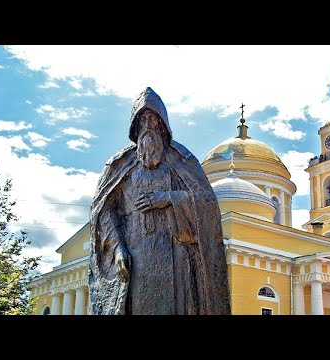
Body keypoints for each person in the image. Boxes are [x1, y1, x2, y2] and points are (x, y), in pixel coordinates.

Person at [89, 87, 231, 315]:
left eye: (153, 119)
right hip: (134, 257)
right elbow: (104, 211)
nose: (148, 125)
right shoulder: (120, 164)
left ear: (162, 125)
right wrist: (117, 248)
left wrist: (168, 198)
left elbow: (205, 204)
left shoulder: (181, 159)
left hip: (175, 256)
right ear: (135, 127)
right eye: (142, 120)